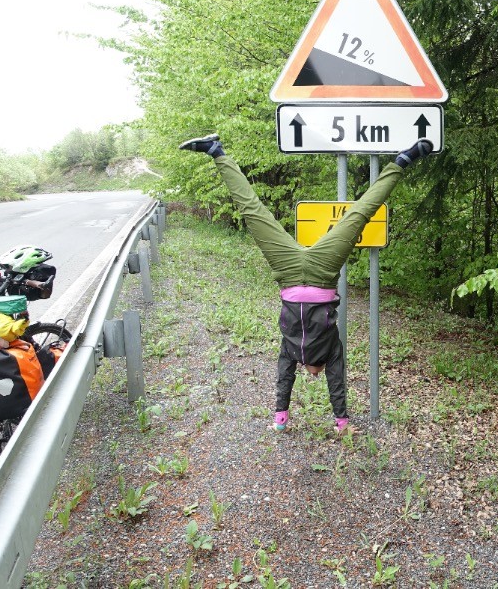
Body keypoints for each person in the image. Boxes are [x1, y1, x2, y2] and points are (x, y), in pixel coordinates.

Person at [179, 133, 434, 434]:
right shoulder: (331, 351)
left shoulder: (291, 352)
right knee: (360, 214)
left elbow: (283, 380)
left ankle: (216, 151)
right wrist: (342, 423)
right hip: (324, 271)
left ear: (304, 369)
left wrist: (280, 416)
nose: (316, 374)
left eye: (312, 374)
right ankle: (402, 161)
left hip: (287, 271)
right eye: (320, 374)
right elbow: (337, 382)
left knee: (253, 212)